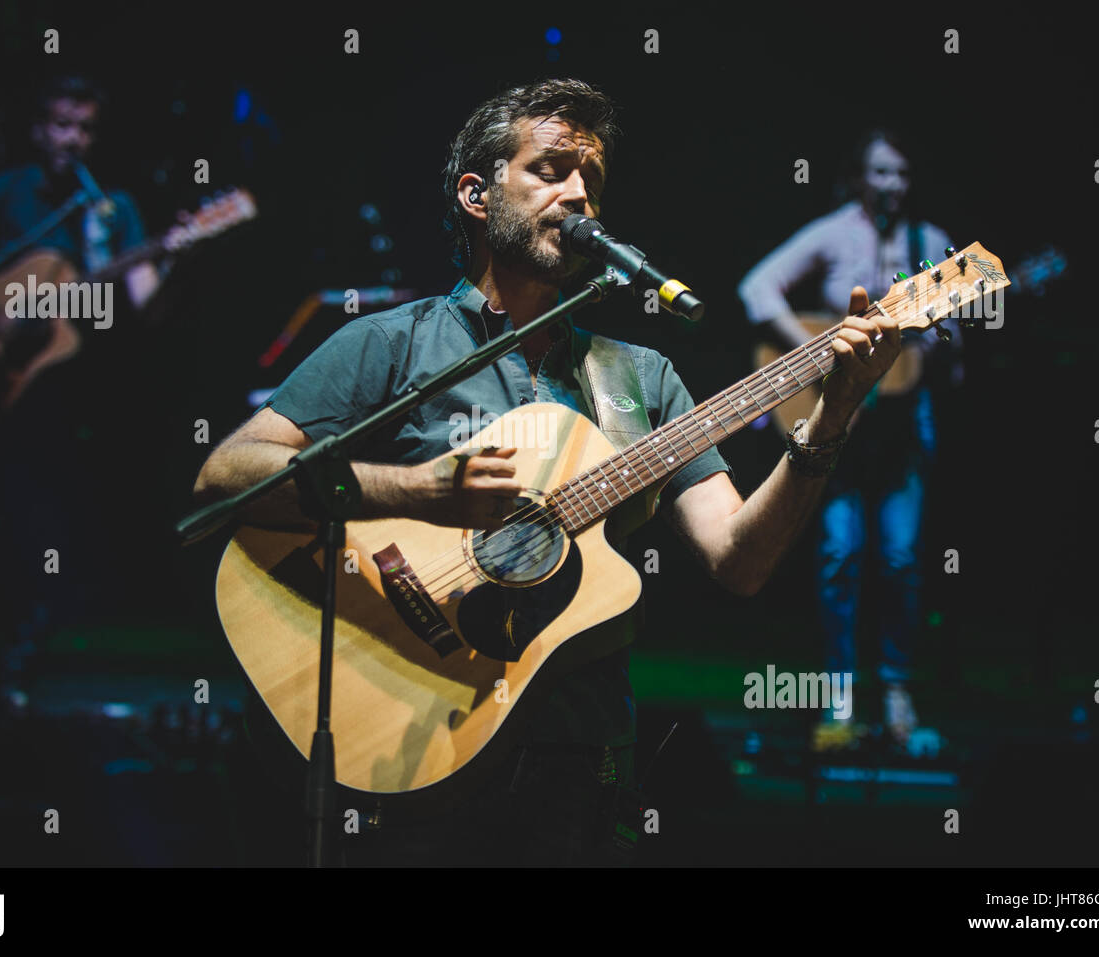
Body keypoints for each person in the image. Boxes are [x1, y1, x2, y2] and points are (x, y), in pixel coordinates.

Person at [194, 79, 901, 864]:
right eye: (552, 170)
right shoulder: (393, 343)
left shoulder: (641, 377)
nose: (579, 196)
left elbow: (741, 560)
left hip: (584, 762)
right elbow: (230, 474)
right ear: (476, 192)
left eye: (592, 180)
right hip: (412, 730)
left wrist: (831, 416)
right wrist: (419, 493)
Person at [0, 75, 167, 714]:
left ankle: (16, 678)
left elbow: (145, 309)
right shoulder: (8, 194)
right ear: (38, 128)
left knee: (44, 531)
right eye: (59, 124)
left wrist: (176, 255)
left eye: (83, 128)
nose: (70, 138)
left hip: (66, 401)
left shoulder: (112, 213)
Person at [737, 129, 963, 748]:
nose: (892, 185)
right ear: (859, 177)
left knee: (900, 559)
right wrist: (813, 353)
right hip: (842, 424)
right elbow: (757, 287)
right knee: (841, 556)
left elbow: (954, 347)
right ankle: (838, 701)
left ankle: (895, 693)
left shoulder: (934, 245)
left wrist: (951, 341)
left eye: (902, 174)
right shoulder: (834, 231)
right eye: (881, 172)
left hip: (903, 428)